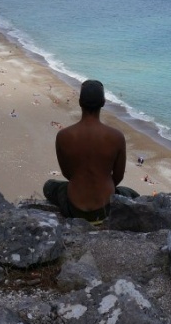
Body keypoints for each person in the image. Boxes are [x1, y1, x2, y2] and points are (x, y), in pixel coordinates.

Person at [43, 79, 138, 224]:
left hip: (73, 207)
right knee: (130, 193)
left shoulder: (63, 136)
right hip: (105, 207)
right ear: (103, 102)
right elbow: (118, 177)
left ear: (80, 102)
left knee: (49, 186)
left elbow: (67, 174)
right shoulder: (116, 137)